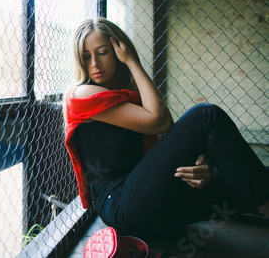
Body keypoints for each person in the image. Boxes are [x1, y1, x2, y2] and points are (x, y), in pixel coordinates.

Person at [63, 17, 269, 239]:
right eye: (86, 56)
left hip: (148, 199)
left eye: (102, 52)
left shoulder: (127, 93)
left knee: (239, 176)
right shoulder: (81, 94)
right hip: (121, 205)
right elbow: (160, 121)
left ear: (117, 50)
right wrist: (132, 62)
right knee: (206, 115)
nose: (94, 63)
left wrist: (203, 163)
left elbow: (157, 153)